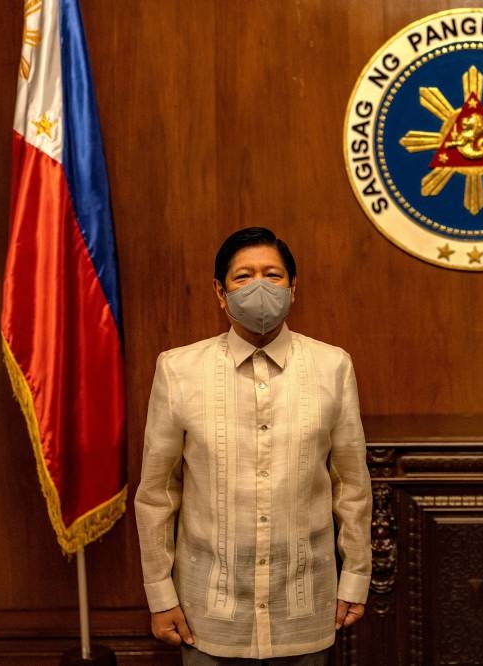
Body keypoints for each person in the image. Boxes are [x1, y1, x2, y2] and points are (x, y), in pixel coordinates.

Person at [135, 227, 372, 665]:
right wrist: (160, 593)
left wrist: (355, 577)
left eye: (273, 275)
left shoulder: (332, 366)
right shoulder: (178, 370)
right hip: (207, 614)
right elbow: (157, 493)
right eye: (243, 276)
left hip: (305, 608)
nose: (259, 286)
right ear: (220, 293)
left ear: (293, 289)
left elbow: (351, 487)